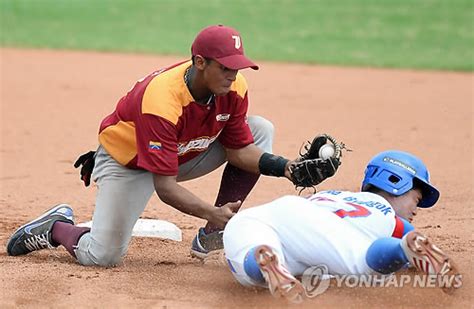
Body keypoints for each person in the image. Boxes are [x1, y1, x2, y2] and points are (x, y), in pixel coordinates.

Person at [6, 25, 338, 266]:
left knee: (260, 129)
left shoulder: (234, 88)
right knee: (102, 255)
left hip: (182, 152)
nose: (233, 75)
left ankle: (212, 234)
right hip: (130, 164)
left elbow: (239, 150)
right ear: (199, 63)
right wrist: (211, 210)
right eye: (225, 67)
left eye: (237, 67)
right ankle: (56, 227)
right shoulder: (162, 99)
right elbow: (164, 186)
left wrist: (288, 169)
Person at [223, 150, 461, 303]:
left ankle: (266, 259)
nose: (415, 211)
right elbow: (418, 244)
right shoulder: (385, 213)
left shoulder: (335, 195)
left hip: (265, 216)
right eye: (416, 200)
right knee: (363, 264)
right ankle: (400, 249)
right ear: (397, 184)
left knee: (250, 262)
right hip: (322, 230)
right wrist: (407, 251)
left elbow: (299, 227)